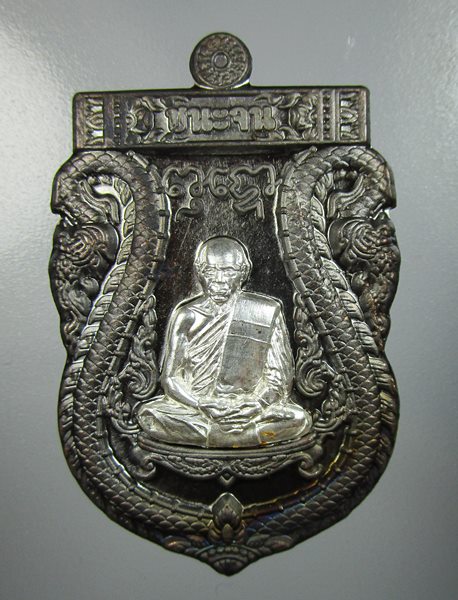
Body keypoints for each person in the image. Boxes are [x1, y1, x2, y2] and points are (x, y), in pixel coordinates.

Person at [136, 236, 312, 448]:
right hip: (199, 409)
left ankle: (215, 435)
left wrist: (256, 405)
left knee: (298, 418)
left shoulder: (264, 311)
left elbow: (278, 380)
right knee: (150, 415)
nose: (219, 280)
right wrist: (201, 404)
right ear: (200, 272)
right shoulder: (186, 315)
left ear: (243, 273)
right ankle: (243, 437)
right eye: (211, 271)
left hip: (249, 409)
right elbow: (171, 378)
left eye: (228, 271)